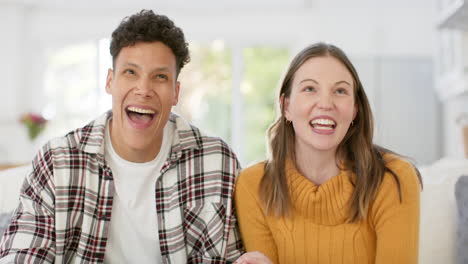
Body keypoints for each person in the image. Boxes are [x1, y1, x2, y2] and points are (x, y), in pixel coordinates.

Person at [0, 9, 244, 263]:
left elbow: (232, 255)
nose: (144, 89)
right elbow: (23, 254)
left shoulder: (216, 161)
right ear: (110, 81)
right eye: (130, 72)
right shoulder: (57, 161)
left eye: (160, 77)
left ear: (175, 92)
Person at [234, 42, 422, 264]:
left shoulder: (393, 179)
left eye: (340, 91)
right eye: (310, 89)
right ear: (286, 106)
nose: (325, 103)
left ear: (354, 110)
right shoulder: (253, 185)